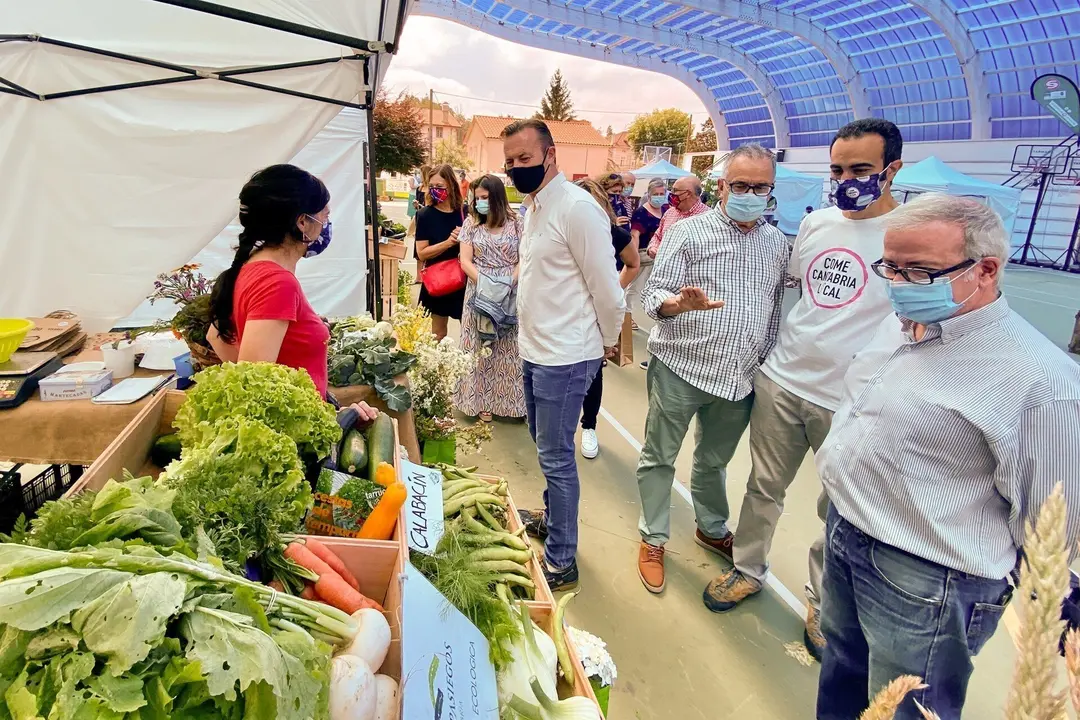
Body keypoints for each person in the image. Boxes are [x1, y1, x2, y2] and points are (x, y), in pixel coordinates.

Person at [815, 193, 1080, 719]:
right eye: (890, 266)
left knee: (906, 707)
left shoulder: (1040, 382)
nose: (898, 283)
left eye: (918, 271)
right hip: (849, 534)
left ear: (986, 269)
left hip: (928, 579)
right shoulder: (906, 324)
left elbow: (1054, 520)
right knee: (842, 670)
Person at [704, 119, 905, 661]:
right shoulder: (817, 224)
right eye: (837, 170)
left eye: (860, 170)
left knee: (837, 509)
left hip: (852, 401)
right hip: (784, 381)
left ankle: (822, 602)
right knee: (763, 488)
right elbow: (798, 291)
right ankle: (747, 569)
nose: (846, 181)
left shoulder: (907, 235)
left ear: (892, 170)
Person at [635, 144, 788, 594]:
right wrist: (677, 305)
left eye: (760, 187)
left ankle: (711, 527)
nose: (749, 194)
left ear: (770, 190)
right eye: (740, 185)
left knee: (714, 461)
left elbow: (773, 310)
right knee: (659, 456)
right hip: (680, 367)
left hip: (739, 378)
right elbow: (652, 295)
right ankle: (653, 538)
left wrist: (763, 359)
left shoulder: (776, 244)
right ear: (721, 186)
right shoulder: (688, 232)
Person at [501, 118, 624, 591]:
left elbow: (607, 288)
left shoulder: (577, 209)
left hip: (566, 356)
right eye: (510, 161)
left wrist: (607, 340)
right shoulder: (534, 207)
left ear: (551, 155)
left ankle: (561, 558)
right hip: (536, 348)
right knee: (544, 442)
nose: (516, 168)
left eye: (525, 158)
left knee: (556, 456)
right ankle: (553, 517)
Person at [205, 164, 377, 420]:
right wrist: (328, 419)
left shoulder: (252, 266)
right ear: (302, 222)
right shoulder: (277, 283)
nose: (326, 224)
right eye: (325, 216)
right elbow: (255, 386)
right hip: (297, 430)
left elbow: (215, 335)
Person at [574, 178, 641, 459]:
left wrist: (614, 288)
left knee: (593, 369)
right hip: (563, 311)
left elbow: (633, 263)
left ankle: (589, 426)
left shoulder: (613, 233)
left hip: (597, 313)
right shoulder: (561, 231)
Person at [455, 174, 527, 422]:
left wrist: (508, 283)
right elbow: (465, 261)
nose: (479, 203)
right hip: (479, 291)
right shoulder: (471, 224)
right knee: (479, 345)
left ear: (497, 197)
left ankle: (509, 403)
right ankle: (481, 402)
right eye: (477, 198)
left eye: (485, 197)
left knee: (509, 347)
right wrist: (487, 285)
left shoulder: (517, 223)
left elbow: (524, 258)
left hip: (510, 291)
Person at [639, 175, 709, 370]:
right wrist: (653, 247)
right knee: (662, 315)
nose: (671, 195)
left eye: (676, 191)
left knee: (688, 321)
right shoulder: (670, 213)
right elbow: (658, 236)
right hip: (665, 278)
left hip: (691, 281)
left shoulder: (707, 218)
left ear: (690, 194)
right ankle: (659, 356)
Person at [415, 164, 466, 340]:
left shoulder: (465, 212)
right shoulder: (425, 215)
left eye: (440, 186)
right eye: (432, 186)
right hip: (438, 280)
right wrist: (448, 242)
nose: (435, 190)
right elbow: (422, 253)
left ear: (451, 186)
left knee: (468, 333)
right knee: (438, 334)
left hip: (463, 280)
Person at [627, 178, 669, 331]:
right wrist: (634, 257)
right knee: (635, 287)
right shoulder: (641, 213)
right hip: (644, 255)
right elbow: (635, 235)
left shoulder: (667, 209)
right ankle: (627, 315)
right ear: (649, 195)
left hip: (662, 256)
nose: (659, 197)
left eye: (662, 194)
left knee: (658, 287)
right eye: (656, 194)